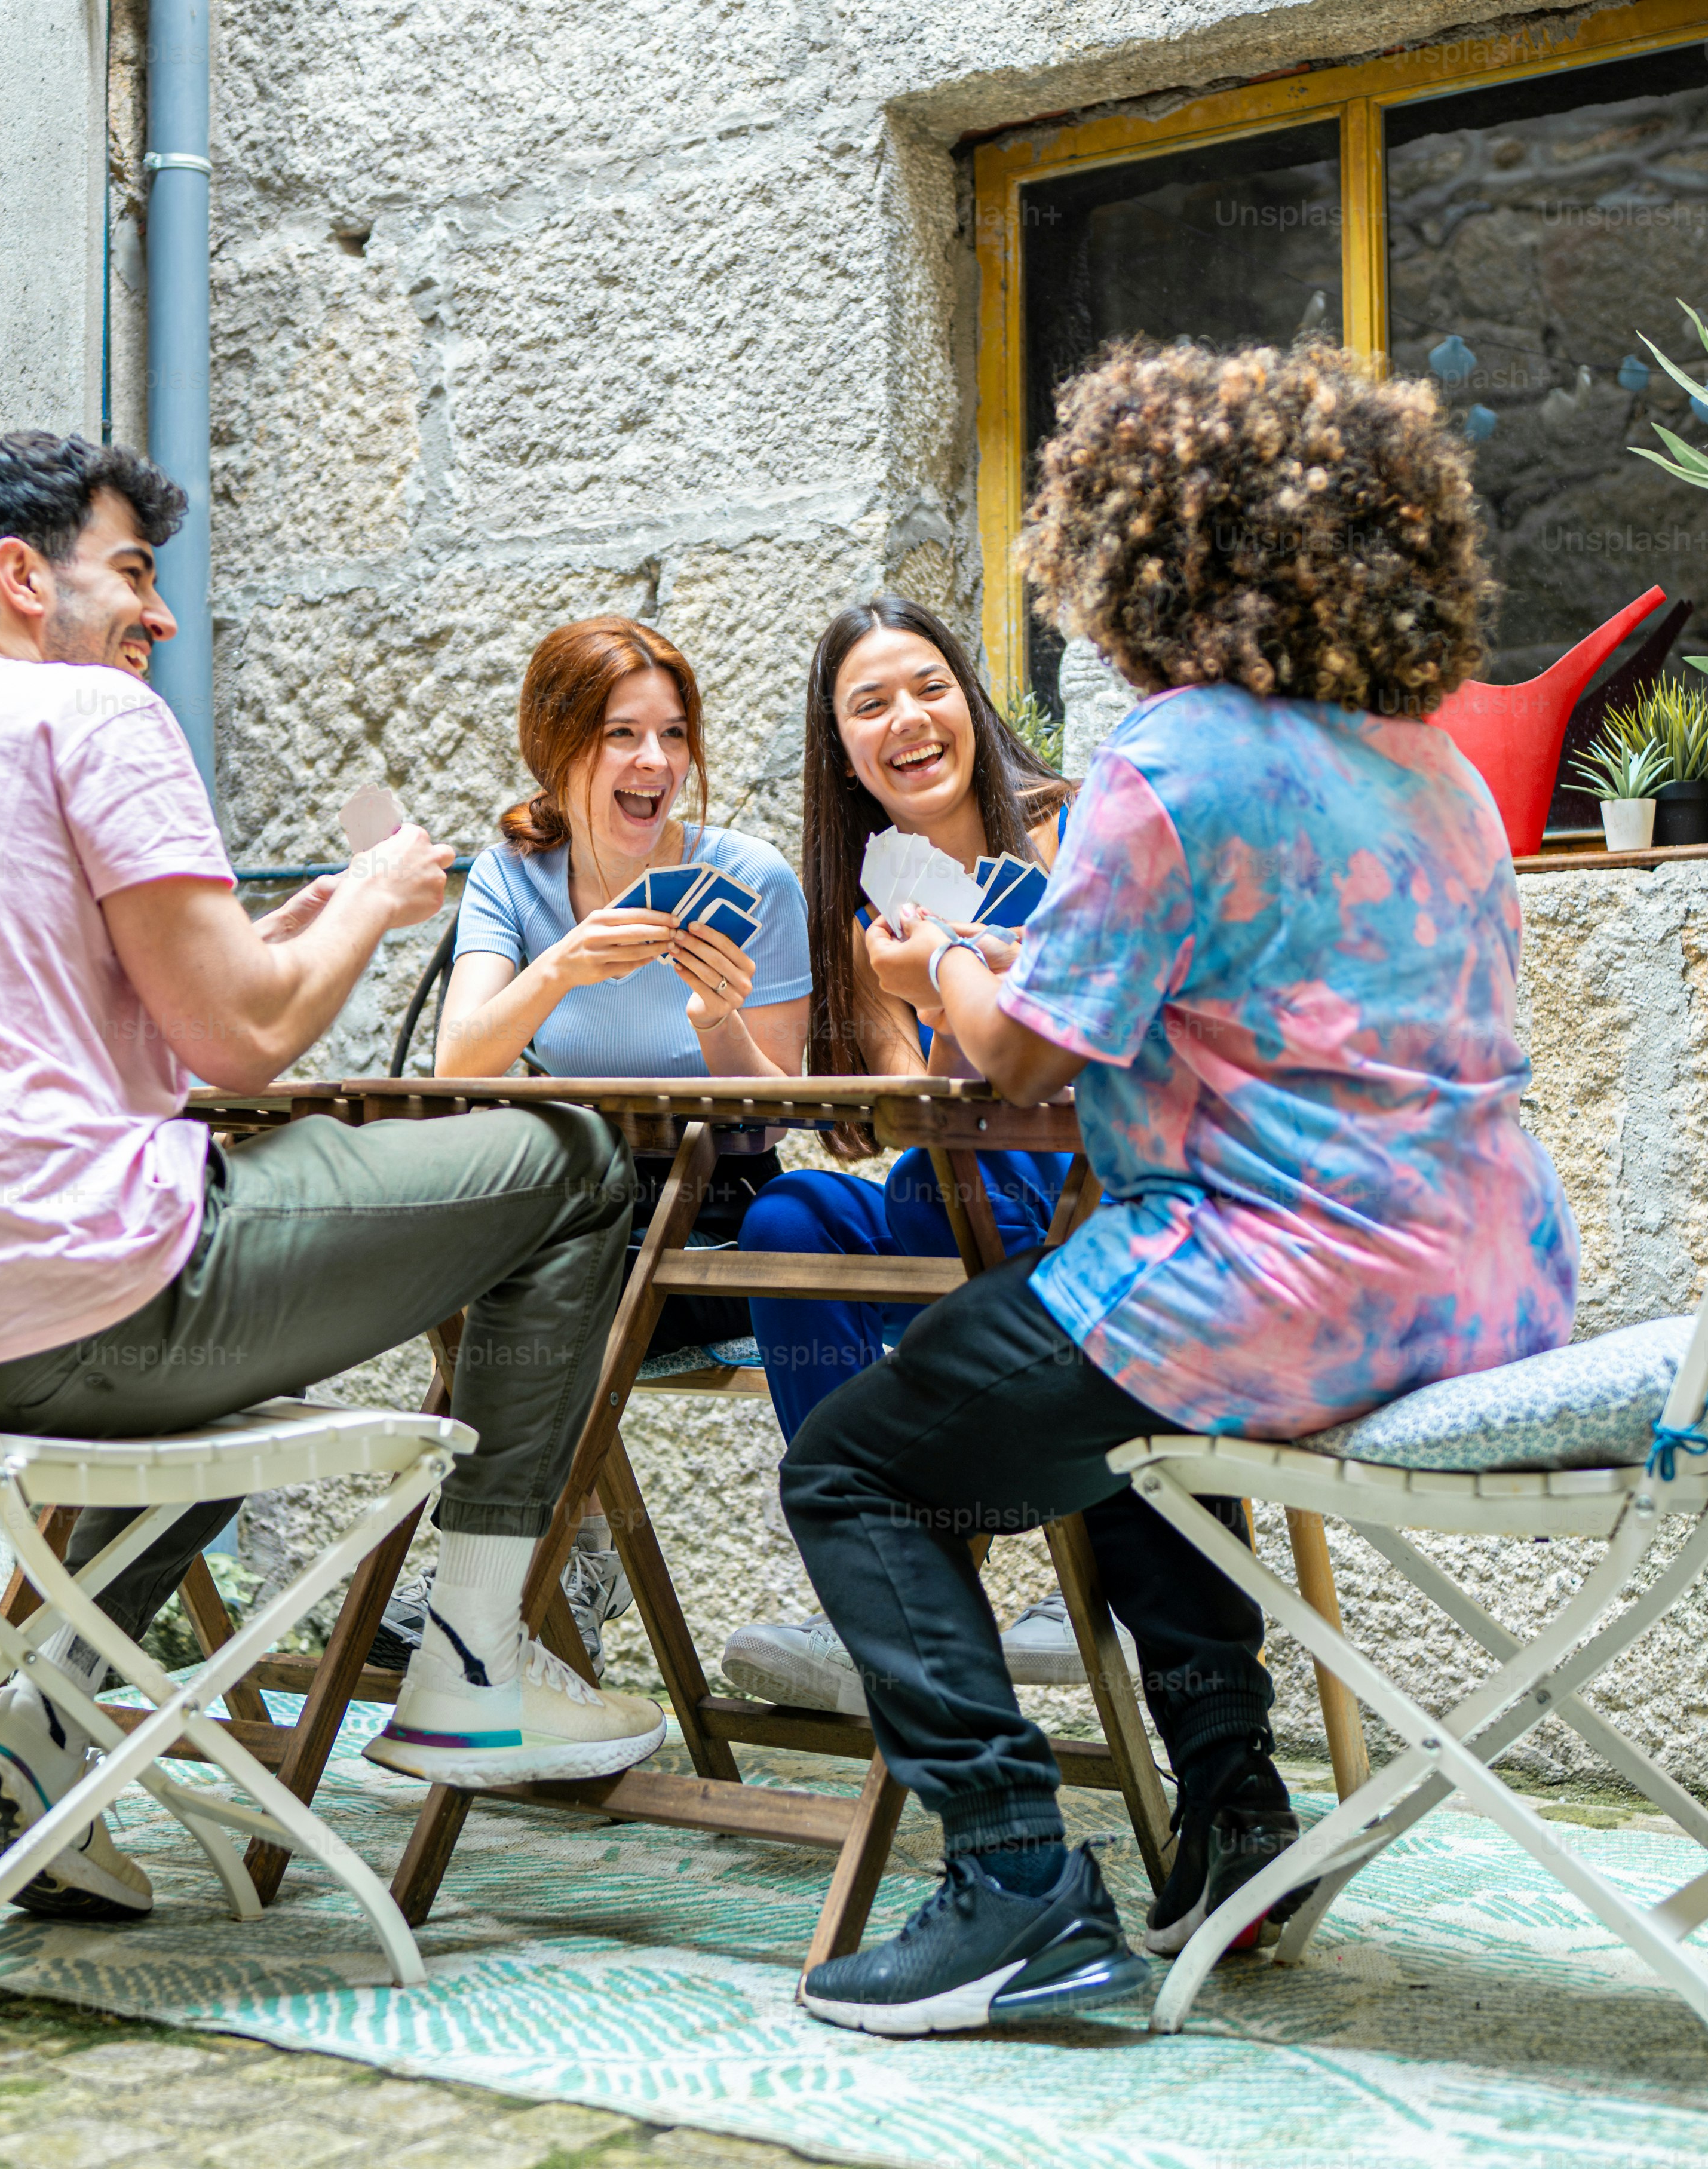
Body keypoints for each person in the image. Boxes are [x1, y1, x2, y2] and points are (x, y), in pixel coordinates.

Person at [783, 346, 1579, 2034]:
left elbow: (1020, 1063)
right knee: (1104, 1404)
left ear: (1140, 557)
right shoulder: (1431, 764)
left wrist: (938, 969)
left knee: (851, 1466)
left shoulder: (1170, 760)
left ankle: (1012, 1879)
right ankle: (1229, 1808)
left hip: (1276, 1292)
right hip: (1489, 1287)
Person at [0, 432, 668, 1927]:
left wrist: (317, 918)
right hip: (95, 1309)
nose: (162, 616)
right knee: (581, 1159)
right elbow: (250, 1038)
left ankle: (39, 1722)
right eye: (133, 573)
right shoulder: (95, 714)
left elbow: (145, 1007)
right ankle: (474, 1656)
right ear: (22, 580)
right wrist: (388, 903)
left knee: (226, 1391)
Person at [716, 597, 1094, 1713]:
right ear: (839, 752)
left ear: (969, 703)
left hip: (1083, 1196)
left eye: (928, 687)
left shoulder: (1070, 835)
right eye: (868, 704)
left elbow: (1065, 1058)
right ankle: (884, 1581)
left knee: (941, 1183)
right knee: (781, 1223)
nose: (908, 721)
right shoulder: (860, 911)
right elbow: (906, 1114)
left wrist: (949, 979)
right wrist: (919, 994)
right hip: (952, 1185)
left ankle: (936, 1552)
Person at [436, 615, 815, 1370]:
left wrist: (716, 1022)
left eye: (674, 734)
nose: (658, 761)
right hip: (571, 1200)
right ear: (556, 744)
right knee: (469, 1272)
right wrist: (560, 968)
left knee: (522, 1310)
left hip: (716, 1210)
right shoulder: (508, 876)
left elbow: (775, 1123)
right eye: (622, 734)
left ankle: (513, 1487)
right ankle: (533, 1488)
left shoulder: (755, 877)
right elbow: (458, 1067)